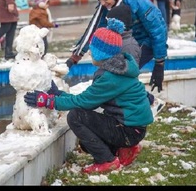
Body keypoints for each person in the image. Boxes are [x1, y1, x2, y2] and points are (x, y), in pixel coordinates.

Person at [24, 18, 154, 174]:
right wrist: (59, 95)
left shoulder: (111, 77)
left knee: (76, 117)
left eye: (93, 48)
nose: (90, 52)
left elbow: (84, 102)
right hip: (133, 128)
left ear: (101, 53)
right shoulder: (118, 67)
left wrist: (48, 101)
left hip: (129, 130)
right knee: (86, 145)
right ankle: (126, 149)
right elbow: (89, 98)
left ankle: (108, 161)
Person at [66, 0, 167, 93]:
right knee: (108, 74)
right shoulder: (106, 7)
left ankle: (141, 102)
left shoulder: (138, 1)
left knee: (121, 75)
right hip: (126, 41)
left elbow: (158, 30)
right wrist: (75, 57)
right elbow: (95, 29)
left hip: (146, 42)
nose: (103, 3)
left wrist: (159, 63)